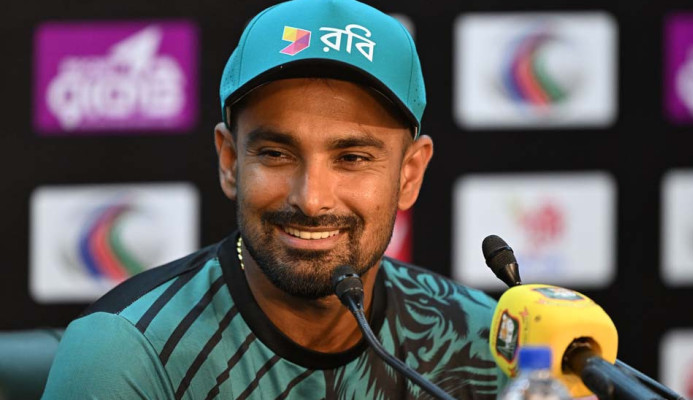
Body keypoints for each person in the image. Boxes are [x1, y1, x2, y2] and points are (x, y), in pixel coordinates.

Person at [43, 0, 508, 398]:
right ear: (229, 161)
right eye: (275, 154)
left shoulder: (486, 341)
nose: (311, 199)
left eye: (351, 158)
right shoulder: (125, 351)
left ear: (409, 174)